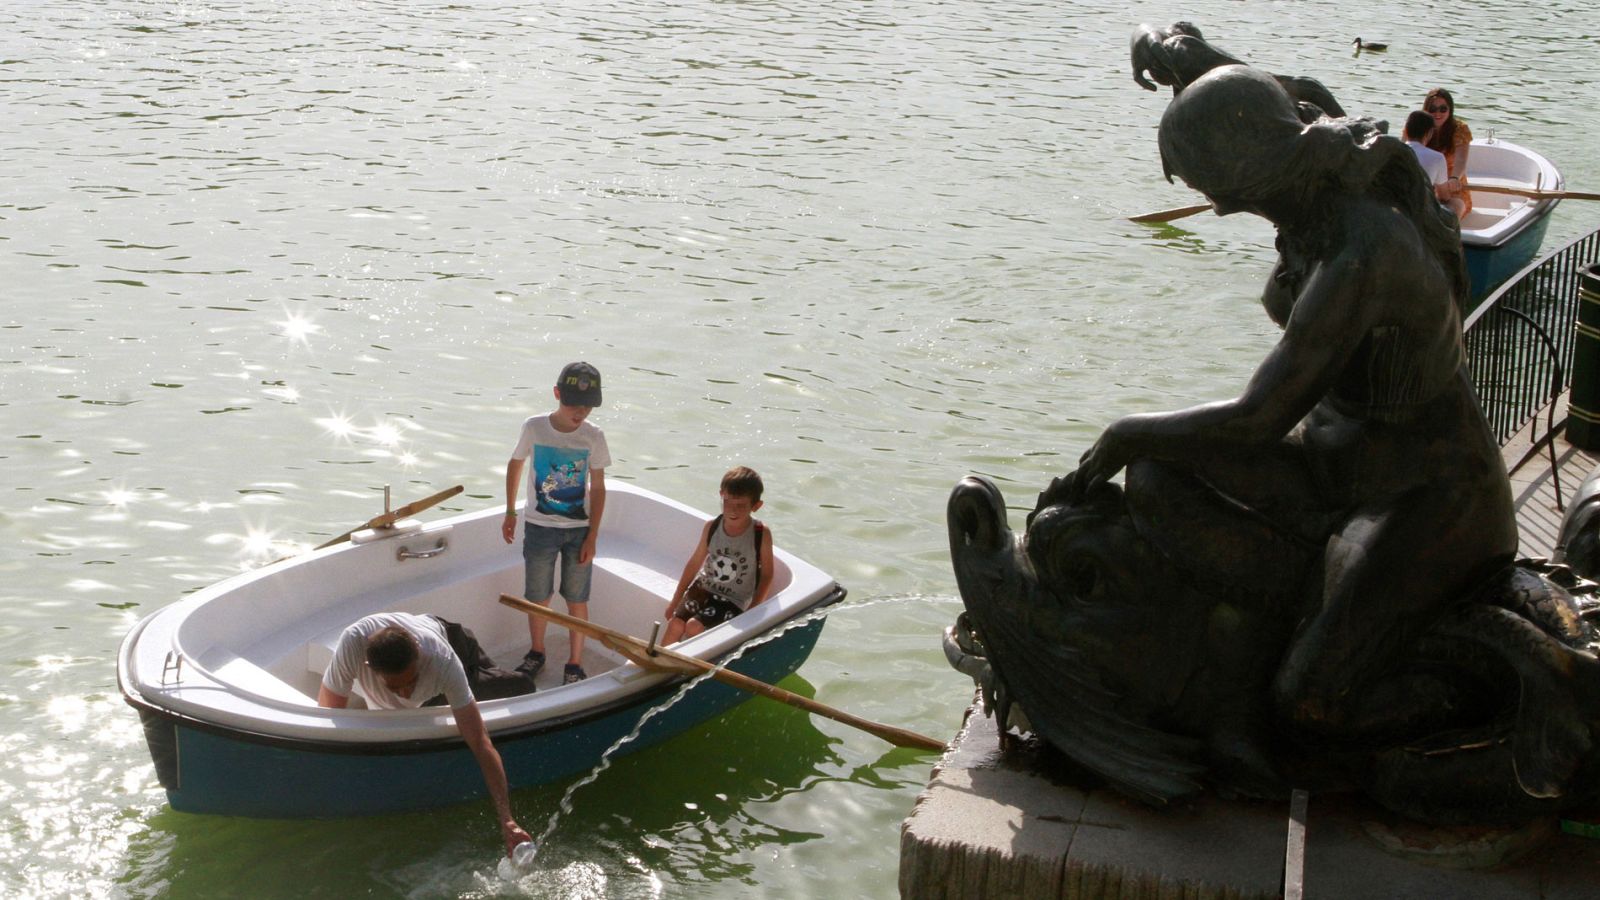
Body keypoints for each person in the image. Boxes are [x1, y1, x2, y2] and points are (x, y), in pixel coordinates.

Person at [1070, 64, 1516, 739]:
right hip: (1331, 459)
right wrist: (1183, 53)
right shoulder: (1317, 168)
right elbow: (1271, 95)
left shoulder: (1361, 253)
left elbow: (1258, 417)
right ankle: (1299, 616)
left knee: (1307, 708)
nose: (1208, 201)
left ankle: (1483, 707)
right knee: (1157, 479)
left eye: (1202, 182)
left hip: (1425, 496)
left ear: (1237, 176)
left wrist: (1127, 430)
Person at [317, 613, 533, 856]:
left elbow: (480, 742)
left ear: (418, 655)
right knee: (446, 695)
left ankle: (510, 675)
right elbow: (328, 715)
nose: (407, 693)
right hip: (431, 690)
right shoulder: (352, 645)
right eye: (395, 687)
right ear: (368, 666)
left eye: (412, 680)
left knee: (520, 686)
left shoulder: (442, 661)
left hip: (456, 641)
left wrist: (507, 818)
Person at [503, 361, 610, 684]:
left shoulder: (594, 436)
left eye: (588, 406)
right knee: (538, 596)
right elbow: (516, 463)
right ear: (556, 394)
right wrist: (510, 512)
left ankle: (575, 662)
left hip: (578, 530)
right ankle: (537, 652)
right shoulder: (534, 427)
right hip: (538, 527)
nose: (580, 412)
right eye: (572, 404)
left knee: (577, 597)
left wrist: (593, 536)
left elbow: (599, 487)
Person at [663, 466, 776, 644]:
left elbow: (768, 575)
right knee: (675, 624)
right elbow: (694, 564)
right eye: (728, 502)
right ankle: (660, 663)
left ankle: (692, 667)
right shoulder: (712, 527)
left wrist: (753, 611)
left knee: (694, 626)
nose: (732, 510)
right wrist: (675, 599)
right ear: (721, 495)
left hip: (732, 600)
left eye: (740, 505)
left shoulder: (760, 533)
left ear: (756, 506)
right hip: (703, 588)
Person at [1423, 87, 1472, 216]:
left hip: (1451, 186)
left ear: (1450, 110)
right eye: (1432, 109)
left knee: (1454, 208)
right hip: (1424, 184)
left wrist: (1454, 178)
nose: (1437, 113)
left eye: (1443, 109)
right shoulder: (1415, 125)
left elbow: (1461, 160)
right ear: (1425, 110)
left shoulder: (1460, 129)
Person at [1402, 109, 1459, 216]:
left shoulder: (1393, 151)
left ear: (1406, 130)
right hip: (1418, 210)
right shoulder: (1437, 158)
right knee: (1457, 204)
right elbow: (1444, 196)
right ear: (1429, 133)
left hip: (1395, 205)